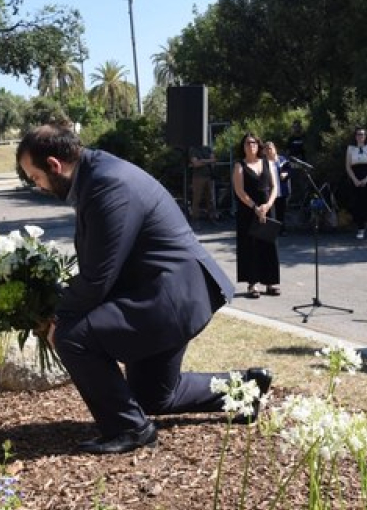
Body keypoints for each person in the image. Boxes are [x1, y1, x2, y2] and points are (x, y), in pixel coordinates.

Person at [16, 124, 272, 454]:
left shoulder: (105, 184)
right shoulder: (97, 174)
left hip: (169, 298)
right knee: (152, 395)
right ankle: (245, 389)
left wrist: (55, 317)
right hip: (170, 293)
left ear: (54, 164)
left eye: (36, 178)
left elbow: (97, 278)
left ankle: (130, 429)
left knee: (70, 335)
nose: (38, 187)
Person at [232, 133, 282, 298]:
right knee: (250, 246)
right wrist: (255, 207)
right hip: (249, 211)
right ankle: (252, 285)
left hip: (268, 209)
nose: (251, 145)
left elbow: (274, 187)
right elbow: (239, 191)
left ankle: (269, 283)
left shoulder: (267, 162)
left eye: (253, 142)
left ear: (258, 145)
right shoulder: (239, 165)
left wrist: (267, 206)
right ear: (243, 146)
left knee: (269, 245)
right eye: (247, 143)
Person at [345, 128, 367, 239]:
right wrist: (354, 179)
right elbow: (348, 166)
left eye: (362, 134)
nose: (360, 136)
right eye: (358, 134)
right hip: (356, 175)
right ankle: (360, 228)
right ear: (355, 136)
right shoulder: (351, 148)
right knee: (358, 203)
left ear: (365, 136)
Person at [188, 143, 217, 223]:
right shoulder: (193, 149)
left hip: (209, 176)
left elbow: (214, 160)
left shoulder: (208, 148)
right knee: (197, 199)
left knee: (210, 199)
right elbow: (196, 164)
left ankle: (212, 217)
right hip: (198, 177)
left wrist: (203, 161)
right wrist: (208, 161)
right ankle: (195, 219)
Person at [265, 141, 291, 231]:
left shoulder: (282, 160)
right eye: (267, 149)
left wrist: (286, 174)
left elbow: (289, 170)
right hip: (269, 192)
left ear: (275, 149)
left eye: (271, 148)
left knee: (281, 211)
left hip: (281, 190)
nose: (269, 151)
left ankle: (282, 230)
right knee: (270, 212)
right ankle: (270, 230)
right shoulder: (263, 163)